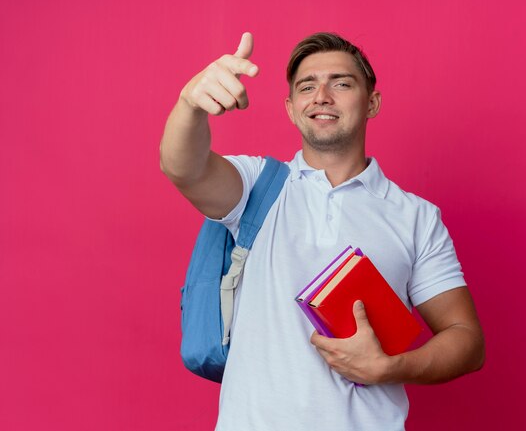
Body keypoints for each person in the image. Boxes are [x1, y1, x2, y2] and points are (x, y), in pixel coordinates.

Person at [160, 31, 485, 431]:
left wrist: (390, 367)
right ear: (291, 108)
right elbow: (183, 167)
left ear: (373, 103)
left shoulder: (416, 217)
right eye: (307, 87)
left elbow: (467, 340)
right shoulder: (255, 186)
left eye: (342, 83)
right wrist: (189, 105)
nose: (321, 96)